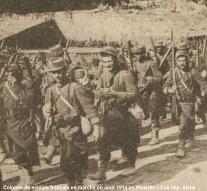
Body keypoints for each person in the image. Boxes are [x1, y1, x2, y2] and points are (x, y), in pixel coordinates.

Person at [43, 57, 100, 188]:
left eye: (60, 71)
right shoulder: (50, 90)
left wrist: (96, 127)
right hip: (61, 132)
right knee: (66, 164)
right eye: (54, 72)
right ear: (50, 74)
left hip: (76, 131)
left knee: (78, 161)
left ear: (66, 71)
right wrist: (46, 110)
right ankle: (72, 185)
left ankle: (80, 183)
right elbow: (47, 108)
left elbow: (89, 109)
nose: (57, 75)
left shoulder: (75, 88)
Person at [88, 46, 139, 181]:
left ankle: (131, 165)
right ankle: (102, 171)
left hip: (124, 114)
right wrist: (98, 92)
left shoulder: (125, 74)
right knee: (102, 141)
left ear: (115, 60)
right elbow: (99, 89)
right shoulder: (103, 75)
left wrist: (115, 94)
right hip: (108, 114)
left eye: (109, 61)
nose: (107, 65)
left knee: (128, 141)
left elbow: (134, 94)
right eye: (104, 62)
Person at [163, 49, 207, 158]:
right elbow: (165, 86)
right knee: (187, 122)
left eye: (184, 60)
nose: (182, 63)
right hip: (177, 103)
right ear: (176, 62)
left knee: (183, 125)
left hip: (189, 102)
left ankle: (181, 147)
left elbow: (203, 83)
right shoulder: (174, 72)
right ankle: (190, 137)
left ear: (187, 61)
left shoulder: (193, 71)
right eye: (179, 61)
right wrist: (170, 90)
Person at [0, 63, 40, 188]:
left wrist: (20, 81)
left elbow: (31, 97)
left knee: (25, 151)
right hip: (8, 123)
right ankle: (23, 176)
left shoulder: (25, 87)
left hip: (22, 123)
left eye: (12, 74)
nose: (9, 77)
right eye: (7, 74)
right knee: (14, 153)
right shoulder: (3, 87)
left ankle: (28, 177)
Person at [133, 46, 163, 146]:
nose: (138, 56)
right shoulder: (134, 64)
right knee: (138, 114)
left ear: (144, 53)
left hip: (152, 91)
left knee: (153, 113)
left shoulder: (151, 63)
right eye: (136, 54)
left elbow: (159, 77)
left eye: (140, 54)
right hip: (140, 92)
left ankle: (155, 136)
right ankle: (137, 138)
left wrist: (149, 79)